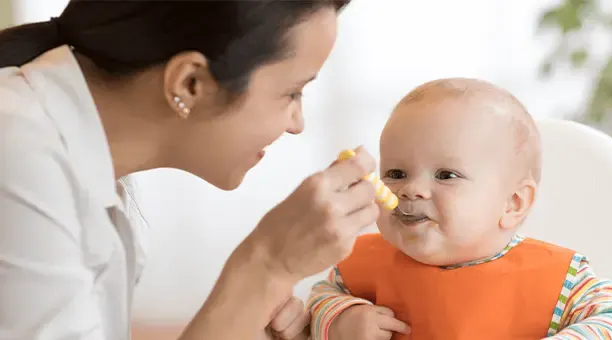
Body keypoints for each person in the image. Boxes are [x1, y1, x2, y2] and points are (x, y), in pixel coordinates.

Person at [0, 1, 384, 339]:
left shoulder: (77, 159)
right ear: (190, 83)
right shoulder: (18, 155)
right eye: (292, 93)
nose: (297, 123)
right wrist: (266, 266)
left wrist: (242, 319)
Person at [306, 78, 612, 339]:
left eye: (446, 175)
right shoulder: (361, 264)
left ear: (513, 203)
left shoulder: (561, 281)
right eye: (395, 174)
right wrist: (340, 319)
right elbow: (320, 298)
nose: (411, 189)